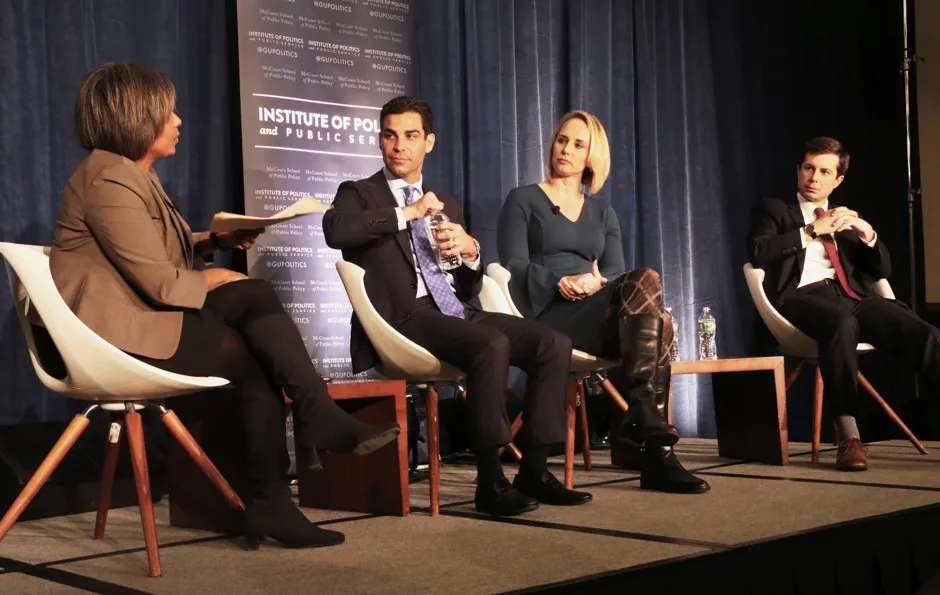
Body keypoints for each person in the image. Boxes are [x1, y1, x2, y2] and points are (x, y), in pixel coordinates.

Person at [50, 63, 400, 549]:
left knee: (254, 355)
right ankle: (307, 428)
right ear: (136, 116)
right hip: (113, 337)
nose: (178, 121)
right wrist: (212, 274)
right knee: (249, 293)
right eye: (168, 112)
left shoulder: (129, 175)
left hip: (141, 320)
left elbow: (145, 253)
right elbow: (157, 279)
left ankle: (275, 495)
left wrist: (214, 240)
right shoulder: (110, 179)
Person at [323, 96, 592, 516]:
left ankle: (535, 470)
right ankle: (490, 481)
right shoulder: (359, 193)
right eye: (390, 135)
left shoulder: (444, 201)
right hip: (403, 318)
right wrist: (406, 211)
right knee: (490, 345)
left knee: (553, 343)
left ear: (427, 142)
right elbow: (335, 229)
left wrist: (470, 252)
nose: (399, 146)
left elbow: (467, 286)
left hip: (454, 312)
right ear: (379, 141)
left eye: (410, 136)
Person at [497, 110, 709, 494]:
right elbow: (512, 264)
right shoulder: (523, 199)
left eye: (579, 144)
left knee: (650, 300)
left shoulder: (603, 211)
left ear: (592, 157)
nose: (566, 149)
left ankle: (645, 421)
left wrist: (594, 284)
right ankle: (653, 447)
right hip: (547, 311)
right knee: (652, 302)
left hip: (595, 308)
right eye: (563, 140)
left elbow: (615, 274)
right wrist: (559, 282)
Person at [747, 136, 940, 471]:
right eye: (808, 168)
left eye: (824, 171)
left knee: (923, 332)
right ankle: (849, 436)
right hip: (799, 298)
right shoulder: (774, 210)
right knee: (841, 323)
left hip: (852, 297)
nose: (813, 177)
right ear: (798, 170)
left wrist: (867, 233)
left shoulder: (844, 217)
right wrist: (810, 230)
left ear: (837, 181)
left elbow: (880, 270)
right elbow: (759, 253)